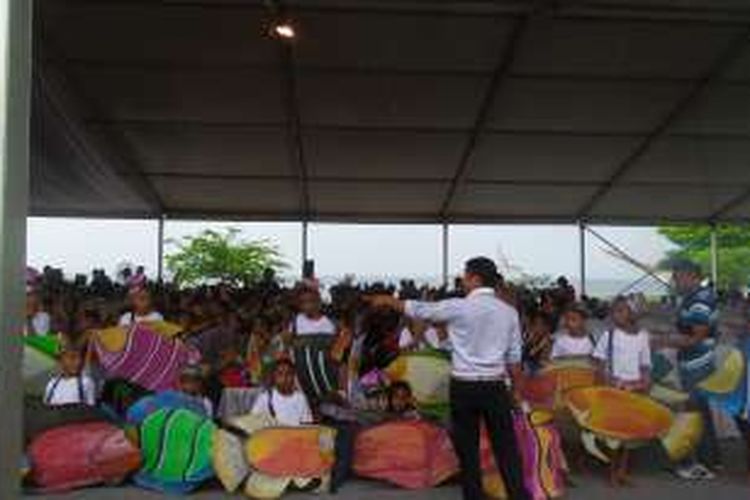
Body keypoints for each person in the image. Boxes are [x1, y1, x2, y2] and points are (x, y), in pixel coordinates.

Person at [368, 257, 530, 500]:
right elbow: (515, 358)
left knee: (468, 452)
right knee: (506, 450)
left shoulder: (459, 307)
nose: (462, 280)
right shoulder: (508, 312)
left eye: (465, 276)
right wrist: (517, 392)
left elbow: (421, 310)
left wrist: (388, 300)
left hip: (464, 387)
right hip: (496, 387)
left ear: (475, 278)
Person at [657, 259, 720, 480]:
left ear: (691, 275)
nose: (674, 280)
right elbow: (685, 328)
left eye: (677, 276)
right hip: (693, 363)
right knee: (700, 412)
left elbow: (696, 338)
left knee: (695, 412)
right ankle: (711, 459)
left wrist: (664, 341)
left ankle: (701, 465)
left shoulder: (701, 300)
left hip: (698, 364)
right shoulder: (692, 298)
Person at [593, 296, 651, 486]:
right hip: (614, 389)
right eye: (615, 311)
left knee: (629, 435)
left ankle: (623, 470)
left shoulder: (642, 336)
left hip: (634, 390)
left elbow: (645, 364)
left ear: (632, 313)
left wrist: (644, 382)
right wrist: (608, 383)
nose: (617, 315)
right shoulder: (608, 335)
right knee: (613, 435)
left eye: (622, 310)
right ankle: (612, 470)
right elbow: (600, 365)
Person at [251, 358, 313, 426]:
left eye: (288, 374)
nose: (284, 378)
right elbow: (253, 422)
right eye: (280, 374)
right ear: (274, 376)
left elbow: (307, 425)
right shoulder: (265, 398)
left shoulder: (300, 399)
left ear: (293, 376)